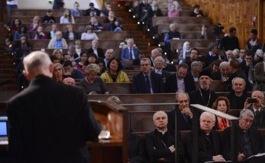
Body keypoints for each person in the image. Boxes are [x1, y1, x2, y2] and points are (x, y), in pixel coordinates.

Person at [7, 51, 100, 163]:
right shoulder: (76, 94)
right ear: (51, 68)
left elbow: (15, 148)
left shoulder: (16, 103)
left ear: (26, 74)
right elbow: (92, 133)